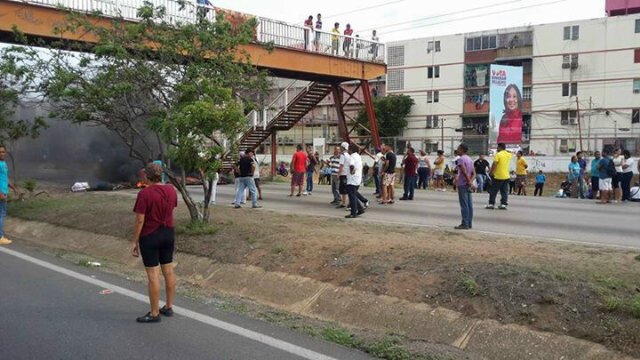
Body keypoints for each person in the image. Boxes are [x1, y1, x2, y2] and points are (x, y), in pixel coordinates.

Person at [131, 162, 178, 323]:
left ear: (147, 175)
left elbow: (139, 220)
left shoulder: (145, 194)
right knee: (169, 270)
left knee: (153, 275)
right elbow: (172, 208)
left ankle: (154, 312)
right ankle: (169, 306)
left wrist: (135, 241)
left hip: (150, 235)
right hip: (168, 233)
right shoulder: (171, 190)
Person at [455, 144, 476, 230]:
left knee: (464, 205)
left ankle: (465, 223)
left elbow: (464, 172)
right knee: (469, 204)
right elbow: (474, 173)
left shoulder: (460, 159)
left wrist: (468, 182)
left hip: (463, 184)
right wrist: (471, 182)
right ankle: (469, 223)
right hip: (468, 184)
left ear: (462, 150)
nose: (457, 150)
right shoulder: (470, 159)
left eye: (458, 149)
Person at [486, 143, 512, 210]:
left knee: (493, 190)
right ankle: (503, 204)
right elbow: (510, 154)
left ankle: (491, 204)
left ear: (500, 147)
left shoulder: (498, 154)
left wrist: (491, 172)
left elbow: (495, 164)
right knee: (504, 191)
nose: (497, 149)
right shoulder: (508, 154)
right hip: (506, 176)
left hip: (498, 175)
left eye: (497, 147)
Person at [0, 145, 17, 245]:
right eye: (0, 152)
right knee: (2, 214)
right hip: (1, 193)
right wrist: (1, 193)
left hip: (4, 191)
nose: (2, 154)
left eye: (3, 152)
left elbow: (5, 178)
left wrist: (14, 188)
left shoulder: (4, 164)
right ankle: (0, 237)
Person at [345, 144, 365, 219]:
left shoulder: (352, 157)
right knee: (354, 195)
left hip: (352, 179)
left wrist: (351, 171)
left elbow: (351, 165)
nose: (348, 151)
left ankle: (353, 213)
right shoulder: (358, 156)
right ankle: (360, 209)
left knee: (352, 197)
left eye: (349, 149)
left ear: (351, 150)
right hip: (357, 178)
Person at [336, 142, 351, 208]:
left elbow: (341, 165)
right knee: (346, 188)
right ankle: (347, 202)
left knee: (342, 189)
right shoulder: (348, 155)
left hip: (343, 174)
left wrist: (338, 174)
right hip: (347, 174)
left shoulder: (343, 155)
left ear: (343, 147)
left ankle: (344, 203)